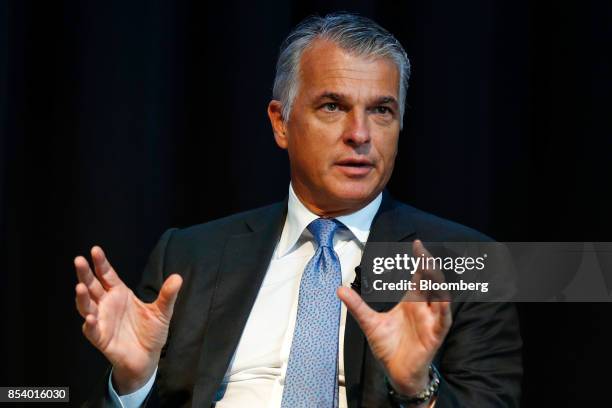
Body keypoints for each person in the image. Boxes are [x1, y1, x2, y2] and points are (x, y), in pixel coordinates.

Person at [74, 13, 522, 408]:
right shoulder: (190, 255)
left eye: (381, 110)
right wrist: (132, 384)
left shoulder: (463, 260)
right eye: (333, 106)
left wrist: (415, 390)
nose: (360, 134)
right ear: (280, 122)